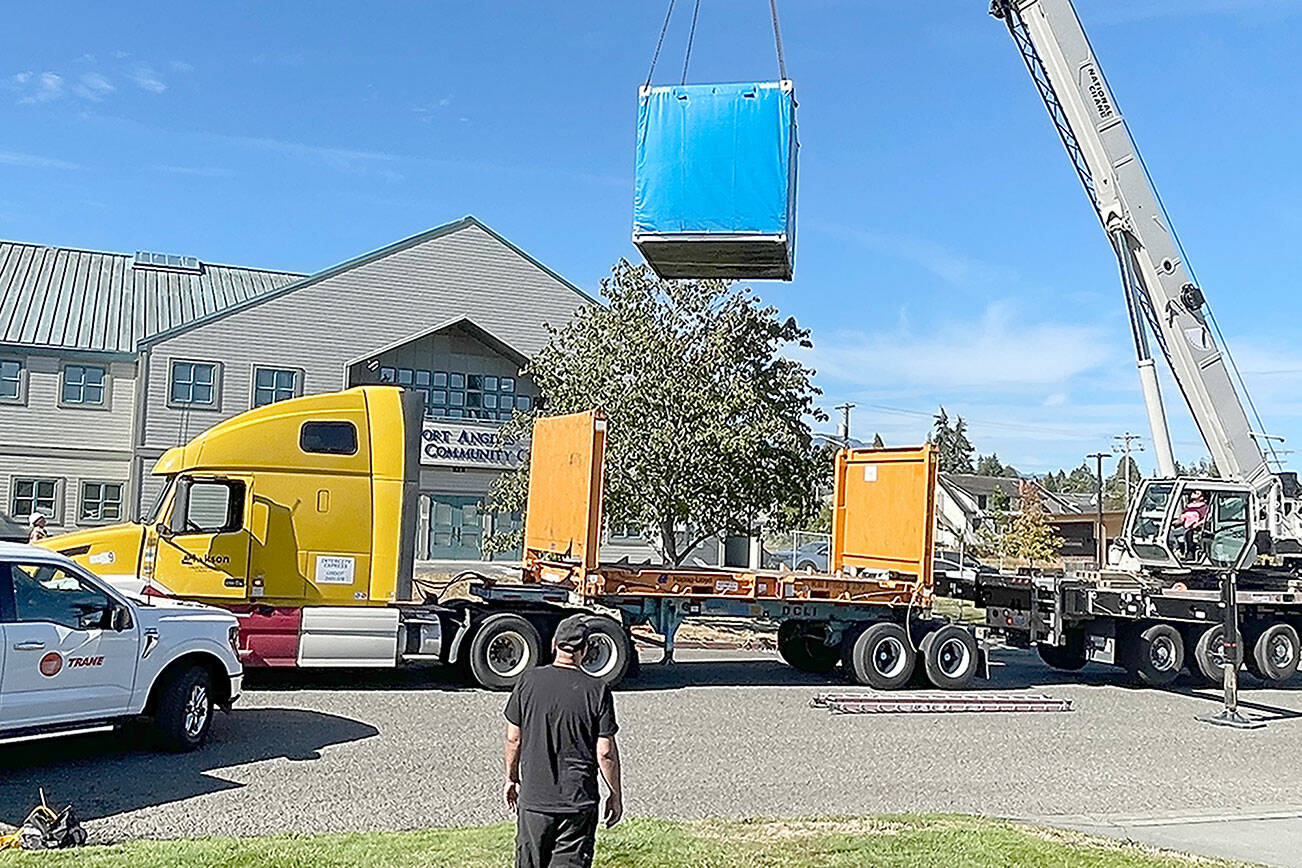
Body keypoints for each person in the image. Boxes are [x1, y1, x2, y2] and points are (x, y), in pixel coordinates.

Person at [503, 614, 623, 868]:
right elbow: (605, 753)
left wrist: (511, 778)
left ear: (554, 643)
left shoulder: (528, 681)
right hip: (577, 801)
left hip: (535, 800)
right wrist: (615, 794)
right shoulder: (597, 689)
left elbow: (514, 738)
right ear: (585, 650)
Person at [1178, 489, 1209, 559]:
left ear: (1202, 497)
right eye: (1193, 492)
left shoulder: (1204, 507)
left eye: (1196, 493)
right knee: (1171, 533)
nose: (1193, 493)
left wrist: (1197, 524)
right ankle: (1177, 550)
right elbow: (1182, 518)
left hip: (1194, 528)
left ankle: (1189, 553)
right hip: (1184, 526)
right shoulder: (1188, 506)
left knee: (1188, 534)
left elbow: (1206, 518)